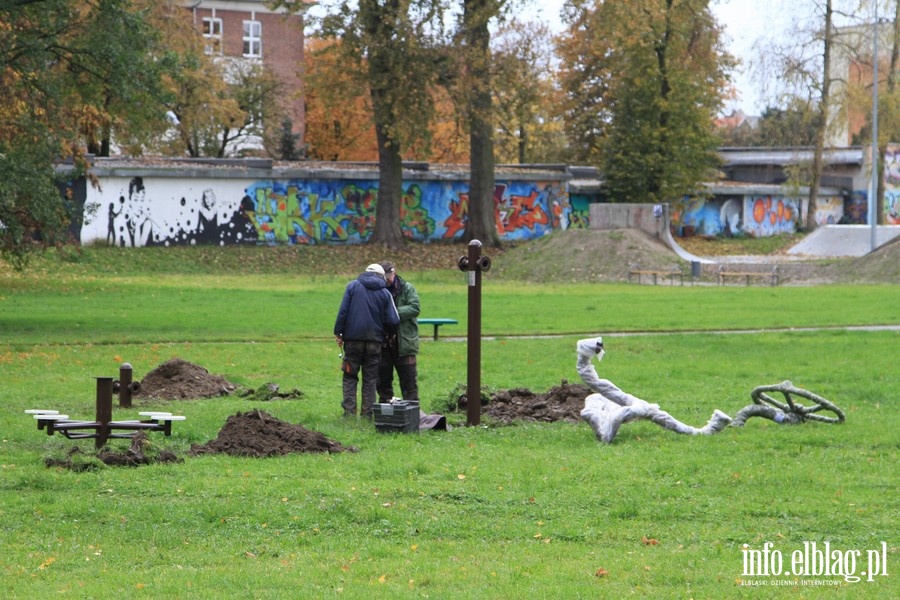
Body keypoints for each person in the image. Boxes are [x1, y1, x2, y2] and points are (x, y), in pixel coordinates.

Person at [575, 336, 732, 443]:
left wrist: (584, 357)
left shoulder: (611, 402)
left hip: (627, 405)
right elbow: (596, 384)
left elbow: (598, 384)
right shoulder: (601, 401)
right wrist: (584, 357)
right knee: (609, 413)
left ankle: (708, 429)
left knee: (631, 409)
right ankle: (708, 429)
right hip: (620, 407)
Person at [334, 264, 400, 419]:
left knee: (350, 376)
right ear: (381, 276)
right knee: (370, 379)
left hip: (352, 341)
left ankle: (349, 414)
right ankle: (367, 414)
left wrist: (339, 333)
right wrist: (390, 334)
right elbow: (394, 320)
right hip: (374, 342)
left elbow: (343, 311)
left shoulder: (352, 286)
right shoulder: (385, 292)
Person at [376, 260, 421, 402]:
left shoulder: (407, 288)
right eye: (384, 277)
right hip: (383, 344)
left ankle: (412, 410)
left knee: (409, 381)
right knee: (383, 382)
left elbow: (415, 308)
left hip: (404, 342)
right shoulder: (377, 290)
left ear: (394, 273)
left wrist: (392, 313)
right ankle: (385, 411)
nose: (387, 280)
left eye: (389, 276)